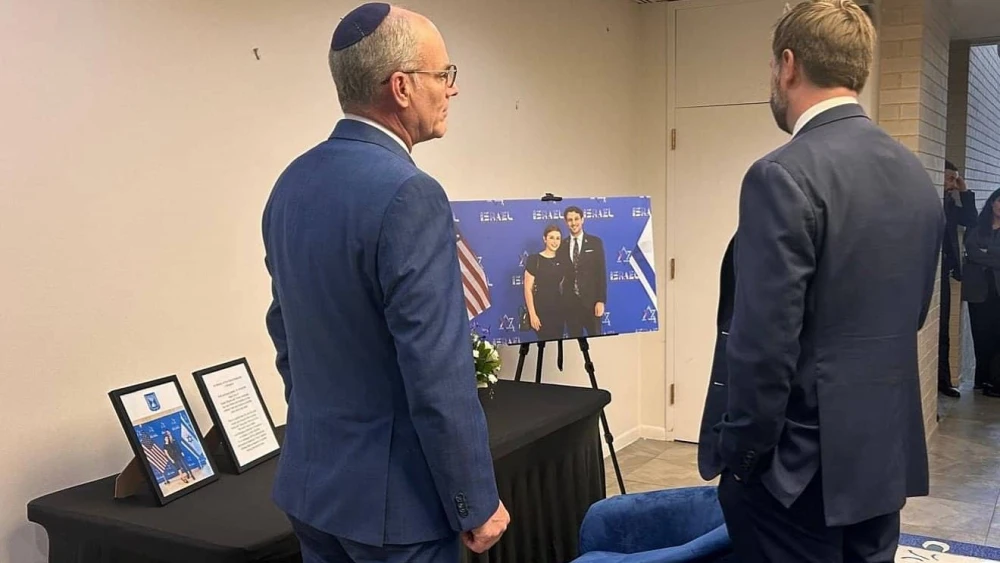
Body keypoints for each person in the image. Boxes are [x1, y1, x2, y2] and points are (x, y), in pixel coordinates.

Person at [696, 1, 944, 562]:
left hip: (794, 476)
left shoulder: (779, 175)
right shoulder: (917, 178)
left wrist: (744, 459)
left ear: (788, 65)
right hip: (880, 461)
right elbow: (915, 312)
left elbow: (764, 348)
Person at [261, 3, 509, 562]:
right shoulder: (411, 195)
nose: (452, 89)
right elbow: (436, 369)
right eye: (443, 74)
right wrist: (475, 500)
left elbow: (286, 336)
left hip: (313, 486)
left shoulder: (290, 184)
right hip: (398, 510)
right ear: (401, 87)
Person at [938, 160, 978, 398]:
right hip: (929, 271)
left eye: (954, 178)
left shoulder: (951, 203)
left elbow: (971, 220)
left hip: (944, 272)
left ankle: (942, 381)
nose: (951, 182)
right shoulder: (931, 198)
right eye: (948, 177)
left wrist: (963, 191)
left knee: (943, 329)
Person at [962, 188, 1000, 397]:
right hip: (980, 292)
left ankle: (995, 380)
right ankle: (982, 379)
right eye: (999, 201)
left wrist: (987, 253)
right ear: (992, 203)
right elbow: (972, 251)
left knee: (997, 336)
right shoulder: (979, 227)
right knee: (981, 335)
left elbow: (979, 254)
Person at [558, 206, 607, 338]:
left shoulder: (595, 243)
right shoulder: (561, 245)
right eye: (570, 220)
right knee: (574, 342)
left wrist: (600, 300)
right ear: (565, 222)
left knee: (596, 340)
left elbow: (601, 273)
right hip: (570, 304)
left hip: (591, 303)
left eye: (576, 219)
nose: (573, 223)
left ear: (582, 219)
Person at [523, 224, 567, 341]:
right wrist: (532, 314)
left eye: (558, 238)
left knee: (558, 344)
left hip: (559, 309)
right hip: (540, 309)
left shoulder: (563, 260)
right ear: (544, 239)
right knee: (544, 344)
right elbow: (528, 289)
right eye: (551, 237)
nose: (555, 241)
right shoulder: (534, 259)